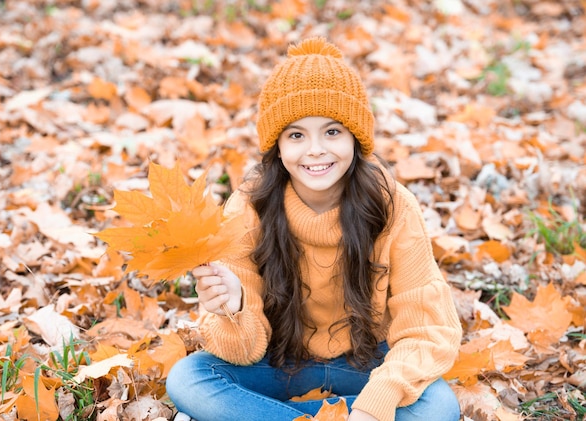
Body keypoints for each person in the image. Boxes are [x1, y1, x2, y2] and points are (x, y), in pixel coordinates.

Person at [165, 37, 462, 421]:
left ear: (357, 137)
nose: (316, 150)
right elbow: (242, 351)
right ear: (277, 146)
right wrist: (234, 308)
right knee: (190, 378)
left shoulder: (393, 205)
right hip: (281, 360)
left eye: (333, 132)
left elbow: (427, 328)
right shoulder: (249, 205)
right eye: (296, 135)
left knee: (439, 405)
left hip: (368, 362)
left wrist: (375, 406)